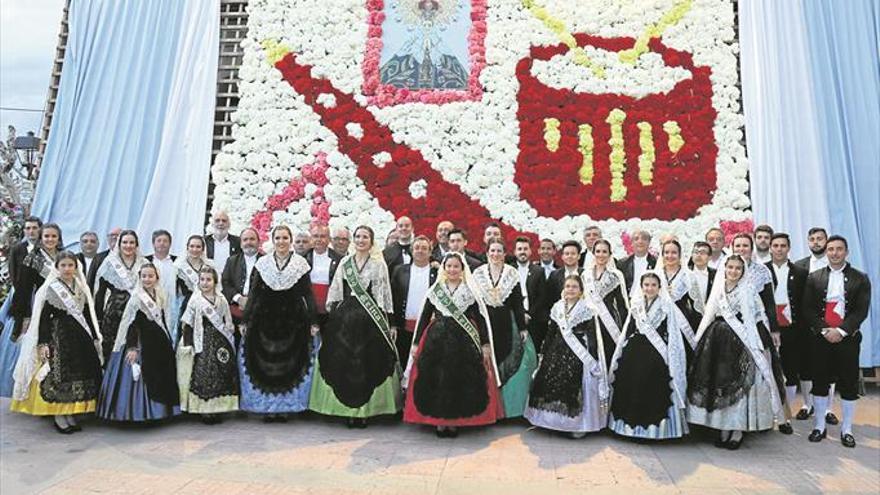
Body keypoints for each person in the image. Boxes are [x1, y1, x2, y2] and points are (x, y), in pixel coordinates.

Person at [686, 255, 786, 450]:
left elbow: (751, 320)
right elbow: (709, 315)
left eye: (738, 268)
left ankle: (738, 430)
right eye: (730, 267)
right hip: (717, 340)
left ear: (743, 271)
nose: (733, 271)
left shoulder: (747, 290)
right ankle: (724, 427)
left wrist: (753, 347)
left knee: (739, 387)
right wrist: (697, 341)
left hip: (741, 341)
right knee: (721, 385)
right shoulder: (719, 288)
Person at [309, 226, 401, 427]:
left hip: (370, 322)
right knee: (344, 362)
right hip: (345, 322)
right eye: (358, 236)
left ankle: (366, 412)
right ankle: (347, 411)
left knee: (368, 362)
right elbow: (336, 292)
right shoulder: (345, 262)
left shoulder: (379, 265)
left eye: (365, 237)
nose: (361, 240)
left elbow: (385, 296)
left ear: (371, 241)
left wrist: (391, 323)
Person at [403, 252, 502, 437]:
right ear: (444, 268)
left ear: (462, 269)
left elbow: (479, 319)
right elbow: (424, 317)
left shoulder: (470, 291)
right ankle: (439, 421)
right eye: (449, 266)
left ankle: (455, 420)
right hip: (436, 342)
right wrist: (416, 345)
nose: (452, 270)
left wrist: (485, 344)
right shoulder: (435, 290)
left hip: (463, 343)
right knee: (437, 380)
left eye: (456, 266)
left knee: (458, 380)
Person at [10, 252, 102, 434]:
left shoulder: (81, 287)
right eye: (64, 265)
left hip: (80, 337)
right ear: (57, 268)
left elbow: (86, 314)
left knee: (78, 374)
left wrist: (94, 336)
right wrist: (43, 343)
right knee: (59, 375)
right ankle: (59, 415)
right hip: (58, 336)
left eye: (70, 265)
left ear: (76, 267)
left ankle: (71, 413)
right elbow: (43, 318)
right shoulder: (50, 288)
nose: (67, 269)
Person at [238, 225, 318, 421]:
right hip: (264, 321)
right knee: (265, 365)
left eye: (285, 238)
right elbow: (254, 294)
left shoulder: (300, 264)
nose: (281, 242)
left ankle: (285, 409)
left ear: (290, 240)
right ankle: (267, 409)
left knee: (289, 366)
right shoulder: (262, 263)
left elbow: (307, 293)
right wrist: (245, 320)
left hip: (293, 322)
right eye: (278, 238)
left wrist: (314, 321)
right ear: (272, 241)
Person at [802, 236, 871, 448]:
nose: (834, 253)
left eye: (839, 249)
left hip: (847, 339)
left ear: (846, 252)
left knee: (849, 383)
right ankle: (819, 425)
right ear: (826, 252)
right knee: (820, 380)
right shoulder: (814, 277)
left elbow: (861, 311)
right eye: (830, 249)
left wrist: (841, 331)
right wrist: (825, 330)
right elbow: (808, 308)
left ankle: (847, 429)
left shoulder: (860, 278)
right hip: (821, 338)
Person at [608, 272, 691, 440]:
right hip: (635, 350)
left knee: (653, 384)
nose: (650, 288)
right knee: (631, 384)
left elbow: (672, 332)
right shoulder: (636, 304)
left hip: (657, 353)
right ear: (642, 287)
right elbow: (630, 326)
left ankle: (653, 431)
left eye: (653, 285)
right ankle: (628, 429)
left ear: (659, 288)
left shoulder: (666, 305)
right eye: (646, 285)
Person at [525, 275, 607, 438]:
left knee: (573, 385)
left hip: (578, 353)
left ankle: (576, 425)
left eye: (574, 287)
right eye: (568, 286)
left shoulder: (588, 309)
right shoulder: (557, 307)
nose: (570, 290)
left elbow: (592, 336)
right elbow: (551, 332)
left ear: (581, 291)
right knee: (550, 383)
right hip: (556, 351)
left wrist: (592, 359)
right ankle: (549, 422)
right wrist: (545, 352)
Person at [97, 263, 179, 422]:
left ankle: (163, 412)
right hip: (141, 342)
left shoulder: (160, 294)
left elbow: (164, 319)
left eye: (151, 276)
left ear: (157, 278)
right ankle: (139, 413)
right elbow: (131, 324)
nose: (147, 279)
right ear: (139, 278)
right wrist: (132, 348)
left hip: (159, 342)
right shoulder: (136, 297)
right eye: (144, 276)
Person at [472, 240, 537, 418]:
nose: (495, 254)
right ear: (487, 253)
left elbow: (517, 303)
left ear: (504, 254)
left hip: (507, 323)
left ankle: (508, 410)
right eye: (492, 250)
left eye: (499, 251)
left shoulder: (512, 274)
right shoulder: (477, 274)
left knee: (517, 363)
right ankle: (484, 410)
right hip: (484, 322)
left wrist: (522, 328)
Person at [5, 223, 61, 397]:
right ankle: (40, 397)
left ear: (59, 238)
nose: (50, 239)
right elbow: (23, 289)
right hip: (41, 309)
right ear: (41, 238)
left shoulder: (64, 257)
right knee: (41, 349)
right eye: (46, 236)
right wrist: (25, 316)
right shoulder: (32, 258)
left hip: (63, 310)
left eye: (53, 236)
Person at [177, 266, 239, 424]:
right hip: (201, 341)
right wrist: (188, 343)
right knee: (203, 374)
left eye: (208, 280)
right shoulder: (195, 299)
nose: (205, 283)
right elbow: (187, 323)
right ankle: (205, 410)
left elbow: (227, 320)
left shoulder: (222, 299)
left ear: (215, 282)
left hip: (220, 341)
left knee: (222, 372)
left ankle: (219, 408)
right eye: (202, 279)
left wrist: (229, 332)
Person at [793, 227, 836, 425]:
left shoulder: (836, 264)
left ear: (826, 241)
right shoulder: (799, 266)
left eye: (820, 239)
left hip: (830, 323)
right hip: (804, 325)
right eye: (812, 239)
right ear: (808, 242)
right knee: (805, 365)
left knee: (829, 367)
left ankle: (828, 408)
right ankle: (807, 405)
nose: (816, 242)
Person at [767, 233, 811, 426]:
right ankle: (769, 412)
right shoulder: (762, 270)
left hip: (792, 327)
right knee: (768, 369)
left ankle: (787, 412)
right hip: (767, 326)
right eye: (775, 245)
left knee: (791, 369)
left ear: (788, 248)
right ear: (770, 248)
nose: (779, 249)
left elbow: (804, 302)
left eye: (783, 245)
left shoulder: (800, 272)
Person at [94, 230, 147, 362]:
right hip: (115, 314)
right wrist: (98, 320)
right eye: (125, 242)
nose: (128, 246)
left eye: (131, 242)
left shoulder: (144, 263)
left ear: (136, 245)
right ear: (119, 244)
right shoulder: (109, 263)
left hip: (139, 313)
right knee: (113, 349)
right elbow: (99, 294)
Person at [581, 239, 628, 368]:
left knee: (610, 354)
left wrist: (625, 327)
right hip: (590, 322)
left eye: (604, 252)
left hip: (609, 321)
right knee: (592, 354)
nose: (601, 255)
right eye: (598, 251)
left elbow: (621, 303)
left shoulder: (616, 275)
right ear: (593, 253)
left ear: (609, 254)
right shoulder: (585, 275)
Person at [390, 236, 437, 361]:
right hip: (403, 327)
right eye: (416, 248)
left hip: (428, 328)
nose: (420, 251)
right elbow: (392, 299)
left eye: (424, 248)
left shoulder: (437, 273)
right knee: (403, 361)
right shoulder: (399, 271)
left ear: (430, 252)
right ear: (411, 250)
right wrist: (392, 324)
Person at [658, 240, 699, 350]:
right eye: (666, 252)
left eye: (674, 252)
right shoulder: (655, 274)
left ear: (680, 255)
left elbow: (697, 305)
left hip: (682, 320)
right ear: (662, 255)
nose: (670, 256)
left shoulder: (689, 276)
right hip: (659, 320)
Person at [174, 235, 213, 345]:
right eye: (192, 246)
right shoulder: (179, 266)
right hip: (188, 306)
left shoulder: (210, 265)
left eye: (198, 247)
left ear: (202, 249)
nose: (195, 249)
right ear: (187, 248)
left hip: (207, 304)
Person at [221, 227, 262, 332]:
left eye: (252, 239)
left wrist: (251, 302)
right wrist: (239, 298)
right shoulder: (232, 261)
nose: (249, 242)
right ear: (240, 244)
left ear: (259, 242)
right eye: (245, 239)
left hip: (259, 312)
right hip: (234, 311)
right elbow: (225, 283)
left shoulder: (266, 262)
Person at [513, 237, 549, 351]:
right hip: (514, 319)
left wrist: (529, 314)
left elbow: (542, 297)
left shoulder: (539, 271)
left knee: (534, 351)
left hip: (534, 319)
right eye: (519, 249)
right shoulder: (509, 270)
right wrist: (520, 315)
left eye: (525, 248)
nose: (522, 251)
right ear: (515, 252)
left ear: (530, 251)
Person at [305, 224, 342, 332]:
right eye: (316, 236)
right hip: (309, 310)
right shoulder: (303, 258)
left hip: (330, 311)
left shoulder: (339, 259)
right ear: (311, 238)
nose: (319, 239)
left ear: (329, 239)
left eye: (323, 236)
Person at [146, 230, 178, 337]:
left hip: (172, 305)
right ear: (153, 243)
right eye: (159, 240)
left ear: (170, 244)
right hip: (150, 304)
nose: (162, 243)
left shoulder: (177, 262)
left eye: (165, 241)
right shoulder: (145, 261)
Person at [616, 229, 656, 296]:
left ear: (649, 243)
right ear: (631, 243)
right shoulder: (622, 264)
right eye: (636, 239)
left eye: (644, 239)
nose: (640, 241)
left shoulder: (656, 263)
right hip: (628, 302)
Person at [547, 241, 584, 306]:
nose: (570, 256)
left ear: (579, 256)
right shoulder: (554, 275)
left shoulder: (586, 274)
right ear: (562, 257)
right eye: (567, 254)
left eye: (573, 254)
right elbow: (549, 299)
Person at [688, 241, 716, 311]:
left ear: (710, 257)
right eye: (696, 252)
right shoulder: (685, 273)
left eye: (702, 253)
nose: (698, 255)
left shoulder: (716, 274)